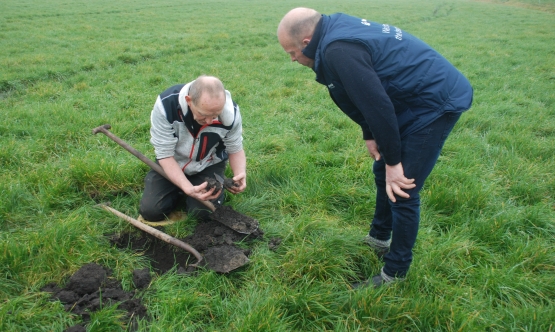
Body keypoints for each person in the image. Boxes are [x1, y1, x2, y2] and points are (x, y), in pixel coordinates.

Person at [277, 8, 473, 287]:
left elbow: (378, 106)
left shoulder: (338, 50)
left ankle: (395, 272)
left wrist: (395, 163)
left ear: (307, 41)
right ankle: (379, 238)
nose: (293, 60)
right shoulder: (332, 33)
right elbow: (362, 93)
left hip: (434, 102)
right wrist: (370, 134)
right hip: (408, 98)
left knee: (403, 188)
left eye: (292, 53)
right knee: (383, 171)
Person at [139, 75, 247, 223]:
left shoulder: (232, 113)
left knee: (202, 213)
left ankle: (186, 190)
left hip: (208, 163)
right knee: (151, 212)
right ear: (189, 101)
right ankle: (177, 188)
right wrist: (186, 187)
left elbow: (235, 148)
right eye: (204, 115)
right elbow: (164, 154)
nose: (209, 121)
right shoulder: (166, 105)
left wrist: (240, 173)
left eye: (215, 115)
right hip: (173, 162)